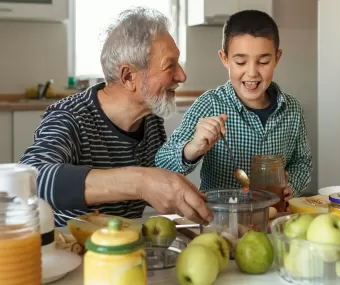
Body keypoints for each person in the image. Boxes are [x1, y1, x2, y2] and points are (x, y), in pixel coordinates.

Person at [19, 7, 213, 227]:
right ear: (129, 76)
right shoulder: (70, 117)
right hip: (71, 251)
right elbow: (32, 178)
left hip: (123, 248)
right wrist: (140, 182)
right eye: (170, 66)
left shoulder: (150, 119)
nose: (182, 76)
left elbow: (161, 181)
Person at [155, 10, 313, 208]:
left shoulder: (293, 110)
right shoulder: (209, 105)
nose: (252, 72)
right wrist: (192, 148)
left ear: (277, 58)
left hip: (274, 217)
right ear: (225, 58)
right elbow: (162, 164)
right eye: (240, 62)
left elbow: (302, 162)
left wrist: (292, 186)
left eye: (263, 62)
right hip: (222, 221)